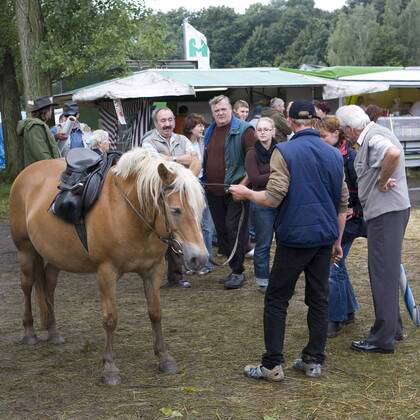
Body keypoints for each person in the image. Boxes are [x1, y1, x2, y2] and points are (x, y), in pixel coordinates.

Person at [230, 100, 348, 381]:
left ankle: (272, 365)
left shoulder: (284, 151)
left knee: (276, 299)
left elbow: (272, 197)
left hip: (295, 237)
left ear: (291, 122)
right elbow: (343, 203)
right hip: (324, 237)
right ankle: (313, 361)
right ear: (316, 123)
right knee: (319, 298)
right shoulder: (333, 153)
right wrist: (337, 241)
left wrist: (246, 193)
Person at [336, 105, 410, 354]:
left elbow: (392, 153)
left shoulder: (374, 137)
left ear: (348, 128)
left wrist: (381, 180)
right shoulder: (374, 133)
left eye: (343, 131)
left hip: (386, 213)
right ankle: (393, 328)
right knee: (384, 272)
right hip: (388, 212)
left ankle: (382, 339)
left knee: (382, 275)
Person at [314, 116, 366, 338]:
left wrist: (354, 208)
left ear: (337, 134)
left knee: (333, 268)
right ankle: (348, 310)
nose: (321, 141)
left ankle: (334, 319)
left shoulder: (350, 157)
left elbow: (361, 188)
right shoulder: (330, 154)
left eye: (324, 137)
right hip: (336, 218)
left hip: (348, 221)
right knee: (339, 267)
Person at [141, 107, 201, 288]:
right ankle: (152, 273)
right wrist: (182, 159)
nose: (167, 124)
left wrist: (171, 158)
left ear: (174, 121)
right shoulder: (148, 141)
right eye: (163, 121)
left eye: (170, 120)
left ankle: (176, 276)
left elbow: (195, 159)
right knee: (158, 236)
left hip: (180, 193)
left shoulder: (182, 139)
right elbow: (156, 163)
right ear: (156, 123)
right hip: (158, 196)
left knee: (178, 233)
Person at [203, 95, 256, 289]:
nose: (220, 113)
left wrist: (242, 186)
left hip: (236, 190)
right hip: (214, 190)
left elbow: (254, 161)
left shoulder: (244, 130)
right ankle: (233, 268)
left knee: (235, 230)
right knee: (223, 231)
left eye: (223, 109)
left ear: (230, 110)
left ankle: (238, 272)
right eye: (216, 111)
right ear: (212, 113)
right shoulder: (210, 130)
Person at [245, 117, 277, 294]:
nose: (263, 132)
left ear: (273, 131)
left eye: (266, 129)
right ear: (256, 133)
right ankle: (263, 281)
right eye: (260, 130)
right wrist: (276, 172)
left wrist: (268, 173)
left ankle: (279, 280)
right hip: (260, 201)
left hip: (280, 200)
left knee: (283, 243)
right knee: (263, 243)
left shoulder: (281, 150)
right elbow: (255, 179)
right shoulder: (252, 153)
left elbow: (289, 172)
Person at [183, 113, 213, 275]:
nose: (202, 128)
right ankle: (190, 264)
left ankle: (206, 263)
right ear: (190, 128)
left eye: (203, 125)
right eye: (198, 125)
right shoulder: (183, 144)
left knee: (207, 226)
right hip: (188, 187)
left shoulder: (204, 143)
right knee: (190, 225)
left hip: (203, 185)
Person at [17, 96, 60, 167]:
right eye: (50, 109)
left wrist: (55, 137)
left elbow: (42, 143)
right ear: (45, 111)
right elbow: (41, 153)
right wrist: (54, 167)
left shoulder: (39, 125)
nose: (51, 112)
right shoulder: (35, 126)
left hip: (43, 170)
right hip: (41, 172)